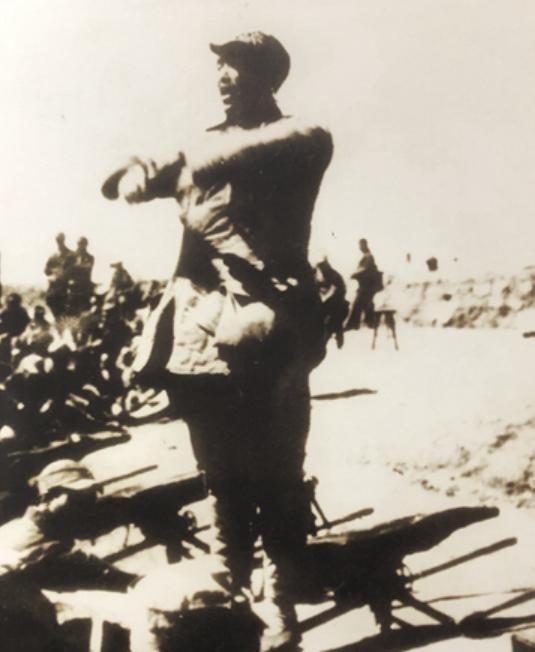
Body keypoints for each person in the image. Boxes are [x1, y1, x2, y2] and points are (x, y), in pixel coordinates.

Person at [102, 31, 333, 650]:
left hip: (266, 326)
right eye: (221, 68)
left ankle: (280, 598)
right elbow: (128, 181)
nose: (224, 78)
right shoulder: (202, 144)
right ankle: (231, 585)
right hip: (199, 330)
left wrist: (178, 163)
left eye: (237, 67)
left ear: (268, 76)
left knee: (278, 471)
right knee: (221, 474)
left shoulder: (302, 137)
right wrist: (133, 171)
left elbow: (233, 156)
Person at [346, 238, 383, 330]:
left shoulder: (369, 257)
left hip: (368, 287)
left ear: (364, 245)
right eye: (359, 246)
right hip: (365, 287)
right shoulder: (366, 257)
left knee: (358, 303)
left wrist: (355, 274)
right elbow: (361, 269)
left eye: (361, 246)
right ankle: (366, 322)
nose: (360, 248)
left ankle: (353, 324)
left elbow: (365, 270)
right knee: (363, 304)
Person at [314, 256, 348, 348]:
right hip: (333, 301)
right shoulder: (328, 275)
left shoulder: (333, 276)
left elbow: (331, 290)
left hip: (337, 302)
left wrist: (321, 294)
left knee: (333, 320)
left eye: (320, 270)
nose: (320, 272)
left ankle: (335, 339)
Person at [44, 233, 75, 319]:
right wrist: (54, 271)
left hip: (66, 286)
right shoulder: (53, 255)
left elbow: (74, 270)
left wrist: (65, 273)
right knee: (52, 303)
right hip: (55, 286)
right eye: (58, 240)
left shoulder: (71, 255)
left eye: (61, 240)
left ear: (64, 240)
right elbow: (46, 271)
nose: (59, 242)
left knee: (66, 311)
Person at [68, 236, 95, 314]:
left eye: (83, 244)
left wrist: (76, 266)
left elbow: (88, 267)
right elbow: (69, 269)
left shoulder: (90, 257)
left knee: (85, 307)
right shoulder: (72, 256)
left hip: (85, 285)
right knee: (72, 308)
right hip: (74, 285)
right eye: (79, 244)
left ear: (86, 245)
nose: (81, 246)